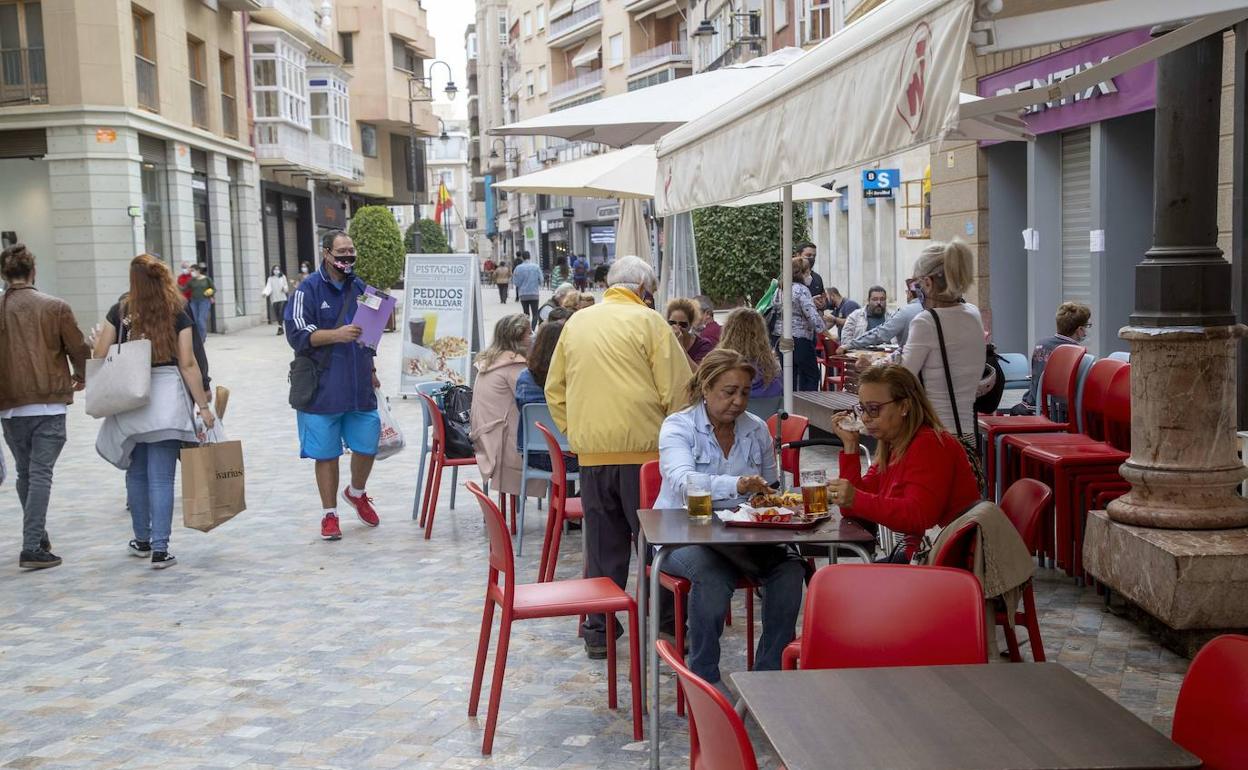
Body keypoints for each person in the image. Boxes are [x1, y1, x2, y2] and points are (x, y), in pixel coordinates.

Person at [547, 255, 692, 658]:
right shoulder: (649, 322)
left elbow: (554, 389)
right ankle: (666, 625)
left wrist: (575, 433)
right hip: (645, 456)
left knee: (602, 547)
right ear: (644, 289)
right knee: (658, 544)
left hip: (592, 457)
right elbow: (679, 391)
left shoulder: (576, 323)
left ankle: (599, 631)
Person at [655, 349, 805, 688]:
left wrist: (776, 501)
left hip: (741, 537)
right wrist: (736, 484)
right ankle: (703, 678)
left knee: (789, 570)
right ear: (706, 388)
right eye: (729, 391)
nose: (738, 401)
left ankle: (769, 676)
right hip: (684, 534)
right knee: (712, 575)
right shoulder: (678, 426)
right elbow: (682, 483)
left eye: (745, 392)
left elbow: (769, 487)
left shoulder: (755, 430)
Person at [94, 254, 216, 569]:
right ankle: (161, 549)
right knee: (162, 478)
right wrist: (203, 406)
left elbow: (99, 354)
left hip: (130, 397)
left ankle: (142, 539)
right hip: (167, 400)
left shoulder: (120, 312)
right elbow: (188, 362)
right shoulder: (177, 311)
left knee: (136, 472)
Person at [285, 230, 382, 541]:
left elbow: (370, 336)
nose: (347, 257)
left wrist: (373, 370)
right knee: (325, 454)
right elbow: (297, 335)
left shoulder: (364, 288)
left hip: (358, 386)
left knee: (367, 444)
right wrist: (336, 334)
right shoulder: (307, 290)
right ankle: (329, 514)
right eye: (341, 252)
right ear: (326, 254)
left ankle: (356, 492)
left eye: (351, 251)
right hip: (322, 387)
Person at [826, 364, 979, 561]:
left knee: (838, 584)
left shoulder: (929, 444)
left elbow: (919, 516)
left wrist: (855, 498)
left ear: (904, 406)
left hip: (951, 561)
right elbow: (850, 509)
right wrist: (850, 447)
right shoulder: (892, 444)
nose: (864, 417)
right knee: (835, 582)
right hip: (925, 556)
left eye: (873, 409)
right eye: (862, 409)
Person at [0, 244, 89, 570]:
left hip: (9, 405)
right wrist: (81, 375)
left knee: (27, 473)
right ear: (33, 272)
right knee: (39, 474)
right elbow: (78, 347)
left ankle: (37, 536)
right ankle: (32, 545)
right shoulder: (55, 307)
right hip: (48, 403)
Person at [901, 240, 986, 449]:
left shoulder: (926, 321)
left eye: (916, 284)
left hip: (936, 434)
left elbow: (902, 376)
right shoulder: (973, 313)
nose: (916, 289)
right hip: (967, 432)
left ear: (928, 282)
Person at [471, 314, 542, 502]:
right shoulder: (514, 367)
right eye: (529, 333)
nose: (533, 336)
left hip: (486, 438)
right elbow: (537, 403)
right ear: (517, 338)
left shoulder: (491, 360)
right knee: (566, 453)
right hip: (504, 446)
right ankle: (567, 513)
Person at [514, 320, 578, 474]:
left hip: (534, 454)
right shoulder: (573, 376)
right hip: (572, 455)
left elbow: (520, 407)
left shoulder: (525, 377)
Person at [1015, 301, 1092, 414]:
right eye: (1086, 326)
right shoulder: (1077, 353)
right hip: (1056, 412)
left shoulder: (1041, 344)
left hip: (1032, 405)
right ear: (1079, 330)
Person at [771, 257, 827, 391]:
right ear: (800, 272)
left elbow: (784, 307)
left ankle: (790, 404)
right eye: (808, 271)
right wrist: (826, 332)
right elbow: (812, 316)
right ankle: (807, 406)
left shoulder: (780, 289)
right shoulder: (802, 289)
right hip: (800, 338)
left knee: (789, 376)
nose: (810, 275)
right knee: (811, 375)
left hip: (780, 338)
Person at [717, 308, 782, 398]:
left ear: (727, 332)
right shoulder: (775, 372)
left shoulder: (718, 369)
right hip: (769, 411)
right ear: (762, 334)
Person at [843, 280, 924, 352]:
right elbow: (845, 341)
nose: (879, 302)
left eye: (882, 299)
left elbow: (882, 333)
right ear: (868, 300)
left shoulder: (894, 315)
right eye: (875, 299)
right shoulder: (855, 316)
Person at [667, 297, 714, 367]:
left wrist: (680, 347)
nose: (677, 327)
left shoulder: (703, 345)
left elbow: (698, 374)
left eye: (683, 324)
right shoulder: (662, 343)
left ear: (691, 324)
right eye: (672, 323)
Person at [512, 253, 544, 328]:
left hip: (523, 294)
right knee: (535, 314)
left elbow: (515, 282)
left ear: (522, 258)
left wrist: (521, 285)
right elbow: (541, 279)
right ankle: (532, 329)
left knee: (526, 314)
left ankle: (527, 329)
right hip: (534, 293)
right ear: (530, 257)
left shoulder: (518, 268)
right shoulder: (536, 267)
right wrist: (536, 284)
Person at [187, 264, 215, 341]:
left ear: (198, 271)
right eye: (190, 271)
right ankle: (198, 337)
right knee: (194, 319)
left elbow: (213, 288)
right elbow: (184, 289)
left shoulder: (207, 279)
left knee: (201, 319)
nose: (191, 272)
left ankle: (202, 337)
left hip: (204, 301)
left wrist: (210, 294)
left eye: (192, 271)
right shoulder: (191, 280)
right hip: (194, 301)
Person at [796, 242, 826, 310]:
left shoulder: (817, 278)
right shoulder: (789, 277)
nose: (812, 258)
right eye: (808, 255)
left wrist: (823, 304)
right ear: (798, 255)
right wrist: (811, 302)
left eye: (814, 256)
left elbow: (823, 299)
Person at [263, 265, 291, 336]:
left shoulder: (282, 277)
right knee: (277, 314)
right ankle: (280, 326)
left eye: (278, 269)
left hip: (282, 298)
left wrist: (284, 288)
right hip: (274, 299)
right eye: (275, 269)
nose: (276, 271)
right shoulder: (270, 279)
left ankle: (280, 328)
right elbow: (268, 287)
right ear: (272, 270)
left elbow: (286, 286)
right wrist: (265, 293)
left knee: (281, 312)